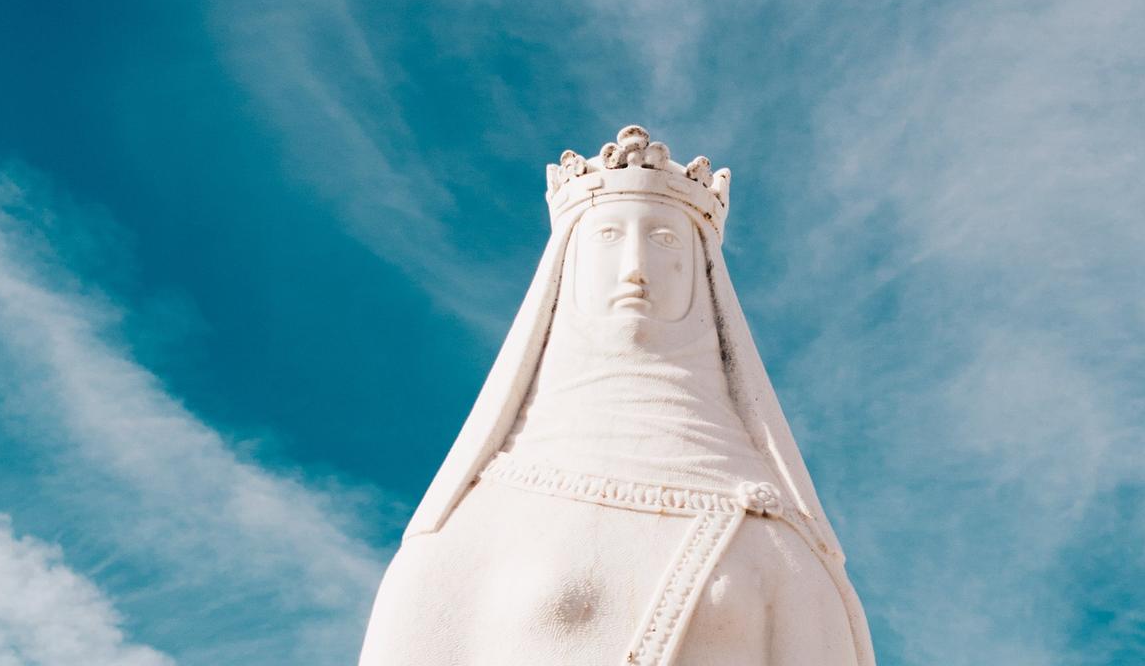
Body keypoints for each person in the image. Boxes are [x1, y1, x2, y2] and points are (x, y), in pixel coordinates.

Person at [359, 126, 875, 665]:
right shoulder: (485, 510)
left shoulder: (772, 521)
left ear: (703, 271)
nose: (635, 265)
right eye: (607, 236)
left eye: (664, 239)